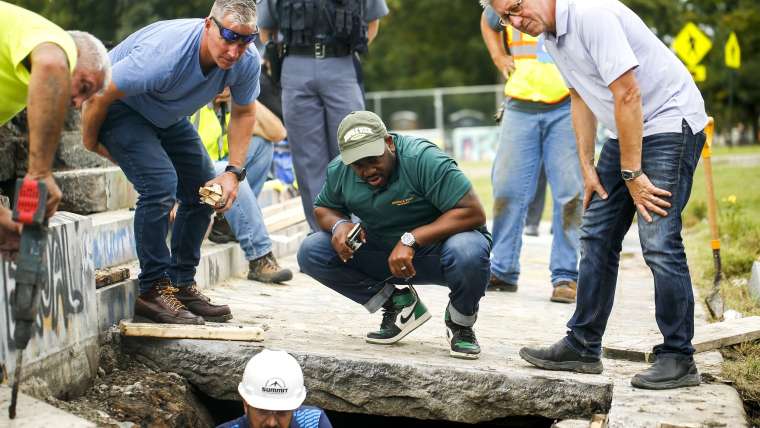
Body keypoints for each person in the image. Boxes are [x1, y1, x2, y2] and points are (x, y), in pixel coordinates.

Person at [484, 0, 709, 389]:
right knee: (597, 233)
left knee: (658, 240)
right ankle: (583, 345)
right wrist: (588, 166)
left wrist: (632, 172)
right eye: (507, 18)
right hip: (630, 129)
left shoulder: (591, 14)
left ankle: (678, 357)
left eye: (517, 8)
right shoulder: (552, 35)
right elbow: (580, 96)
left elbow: (627, 93)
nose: (516, 23)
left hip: (669, 123)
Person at [81, 0, 261, 325]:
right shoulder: (165, 56)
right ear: (209, 25)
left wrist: (233, 173)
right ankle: (152, 291)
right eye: (228, 37)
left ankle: (180, 284)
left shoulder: (246, 61)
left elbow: (245, 111)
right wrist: (90, 140)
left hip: (165, 116)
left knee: (206, 189)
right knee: (161, 185)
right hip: (121, 108)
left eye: (245, 40)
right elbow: (99, 91)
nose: (235, 51)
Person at [298, 111, 492, 360]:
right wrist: (339, 225)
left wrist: (411, 238)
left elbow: (473, 212)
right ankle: (398, 304)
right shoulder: (340, 171)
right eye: (358, 164)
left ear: (389, 143)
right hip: (386, 254)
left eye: (372, 159)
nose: (367, 170)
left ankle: (460, 324)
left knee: (469, 249)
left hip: (440, 252)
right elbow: (323, 208)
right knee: (312, 250)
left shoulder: (422, 159)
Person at [256, 0, 389, 232]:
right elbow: (265, 28)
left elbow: (372, 23)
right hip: (296, 65)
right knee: (308, 160)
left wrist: (347, 47)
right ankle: (323, 233)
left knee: (354, 147)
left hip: (342, 64)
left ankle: (358, 230)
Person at [480, 5, 582, 302]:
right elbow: (488, 21)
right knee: (507, 190)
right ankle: (502, 269)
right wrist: (499, 56)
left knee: (569, 192)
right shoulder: (508, 2)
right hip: (520, 104)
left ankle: (565, 276)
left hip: (566, 102)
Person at [0, 1, 110, 256]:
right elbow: (52, 64)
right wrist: (39, 173)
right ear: (71, 53)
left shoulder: (12, 93)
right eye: (84, 86)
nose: (76, 104)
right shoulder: (53, 41)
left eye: (86, 100)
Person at [191, 89, 293, 283]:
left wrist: (242, 94)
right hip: (192, 182)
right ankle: (259, 257)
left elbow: (278, 133)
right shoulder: (192, 99)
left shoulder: (228, 106)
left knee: (263, 145)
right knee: (228, 172)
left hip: (214, 186)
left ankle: (225, 222)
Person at [218, 349, 332, 428]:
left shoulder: (314, 422)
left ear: (294, 408)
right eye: (262, 411)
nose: (271, 423)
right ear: (245, 405)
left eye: (281, 412)